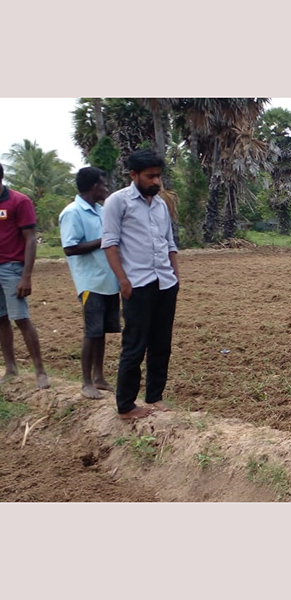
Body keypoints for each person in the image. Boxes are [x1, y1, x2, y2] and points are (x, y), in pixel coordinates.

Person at [102, 149, 179, 420]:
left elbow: (170, 244)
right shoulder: (117, 203)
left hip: (165, 283)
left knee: (161, 343)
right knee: (135, 343)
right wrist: (123, 281)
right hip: (137, 284)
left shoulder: (160, 205)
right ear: (133, 175)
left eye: (158, 176)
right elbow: (109, 244)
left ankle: (155, 396)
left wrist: (175, 276)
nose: (156, 181)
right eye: (150, 176)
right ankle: (125, 405)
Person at [59, 167, 119, 399]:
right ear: (95, 186)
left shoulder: (100, 211)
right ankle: (86, 382)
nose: (106, 189)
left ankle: (99, 377)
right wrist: (104, 241)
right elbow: (70, 247)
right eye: (103, 184)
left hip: (107, 280)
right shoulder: (73, 213)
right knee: (91, 331)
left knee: (101, 331)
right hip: (90, 282)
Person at [0, 164, 50, 389]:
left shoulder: (20, 201)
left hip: (12, 267)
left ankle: (40, 371)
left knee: (20, 318)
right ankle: (10, 367)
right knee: (0, 319)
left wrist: (26, 276)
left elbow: (30, 239)